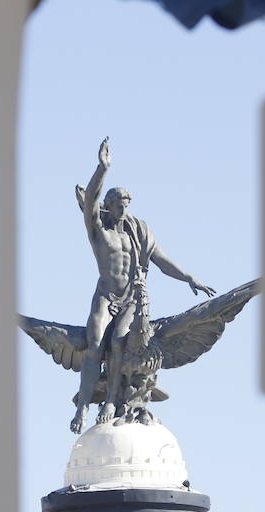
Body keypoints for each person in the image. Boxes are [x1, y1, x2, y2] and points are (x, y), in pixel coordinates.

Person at [69, 137, 215, 433]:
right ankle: (83, 407)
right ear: (109, 206)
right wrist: (102, 168)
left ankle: (111, 401)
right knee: (95, 346)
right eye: (118, 205)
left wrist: (189, 277)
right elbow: (91, 203)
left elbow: (161, 259)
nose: (123, 210)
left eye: (126, 205)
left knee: (119, 344)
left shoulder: (139, 231)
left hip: (131, 299)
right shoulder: (99, 231)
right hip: (105, 296)